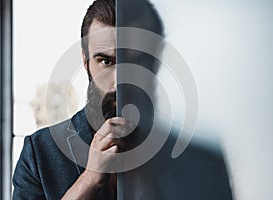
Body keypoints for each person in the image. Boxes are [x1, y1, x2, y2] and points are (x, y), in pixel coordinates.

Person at [12, 0, 233, 199]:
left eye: (134, 61)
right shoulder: (39, 154)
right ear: (85, 61)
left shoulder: (203, 164)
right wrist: (88, 182)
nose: (120, 81)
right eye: (106, 62)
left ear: (156, 61)